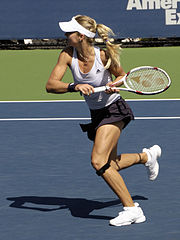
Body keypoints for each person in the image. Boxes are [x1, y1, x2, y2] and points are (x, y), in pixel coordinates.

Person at [46, 15, 161, 226]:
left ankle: (132, 209)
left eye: (69, 32)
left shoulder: (103, 55)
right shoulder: (66, 55)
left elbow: (122, 76)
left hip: (114, 110)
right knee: (111, 165)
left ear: (81, 36)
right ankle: (146, 156)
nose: (65, 35)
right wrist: (74, 86)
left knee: (98, 162)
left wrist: (114, 84)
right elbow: (51, 85)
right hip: (96, 114)